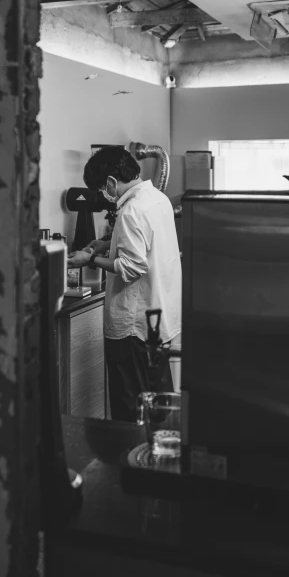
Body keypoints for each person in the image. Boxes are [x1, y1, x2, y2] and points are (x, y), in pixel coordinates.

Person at [67, 146, 182, 422]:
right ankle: (156, 459)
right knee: (158, 403)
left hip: (133, 330)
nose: (105, 194)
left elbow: (132, 266)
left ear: (109, 181)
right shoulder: (157, 198)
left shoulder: (131, 211)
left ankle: (130, 460)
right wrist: (108, 243)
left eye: (101, 188)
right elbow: (147, 244)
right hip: (158, 321)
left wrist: (90, 258)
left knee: (130, 411)